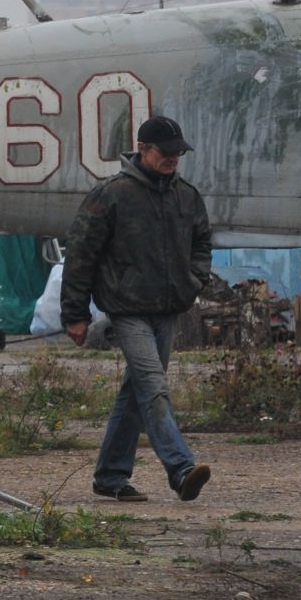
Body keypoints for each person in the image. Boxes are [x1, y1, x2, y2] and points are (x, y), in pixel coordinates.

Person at [61, 115, 213, 503]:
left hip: (167, 309)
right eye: (166, 152)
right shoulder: (111, 194)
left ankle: (110, 476)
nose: (174, 159)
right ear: (143, 149)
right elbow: (80, 254)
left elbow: (202, 242)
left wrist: (195, 280)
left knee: (136, 392)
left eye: (179, 153)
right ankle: (180, 469)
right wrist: (74, 314)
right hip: (127, 310)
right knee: (153, 387)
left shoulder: (187, 196)